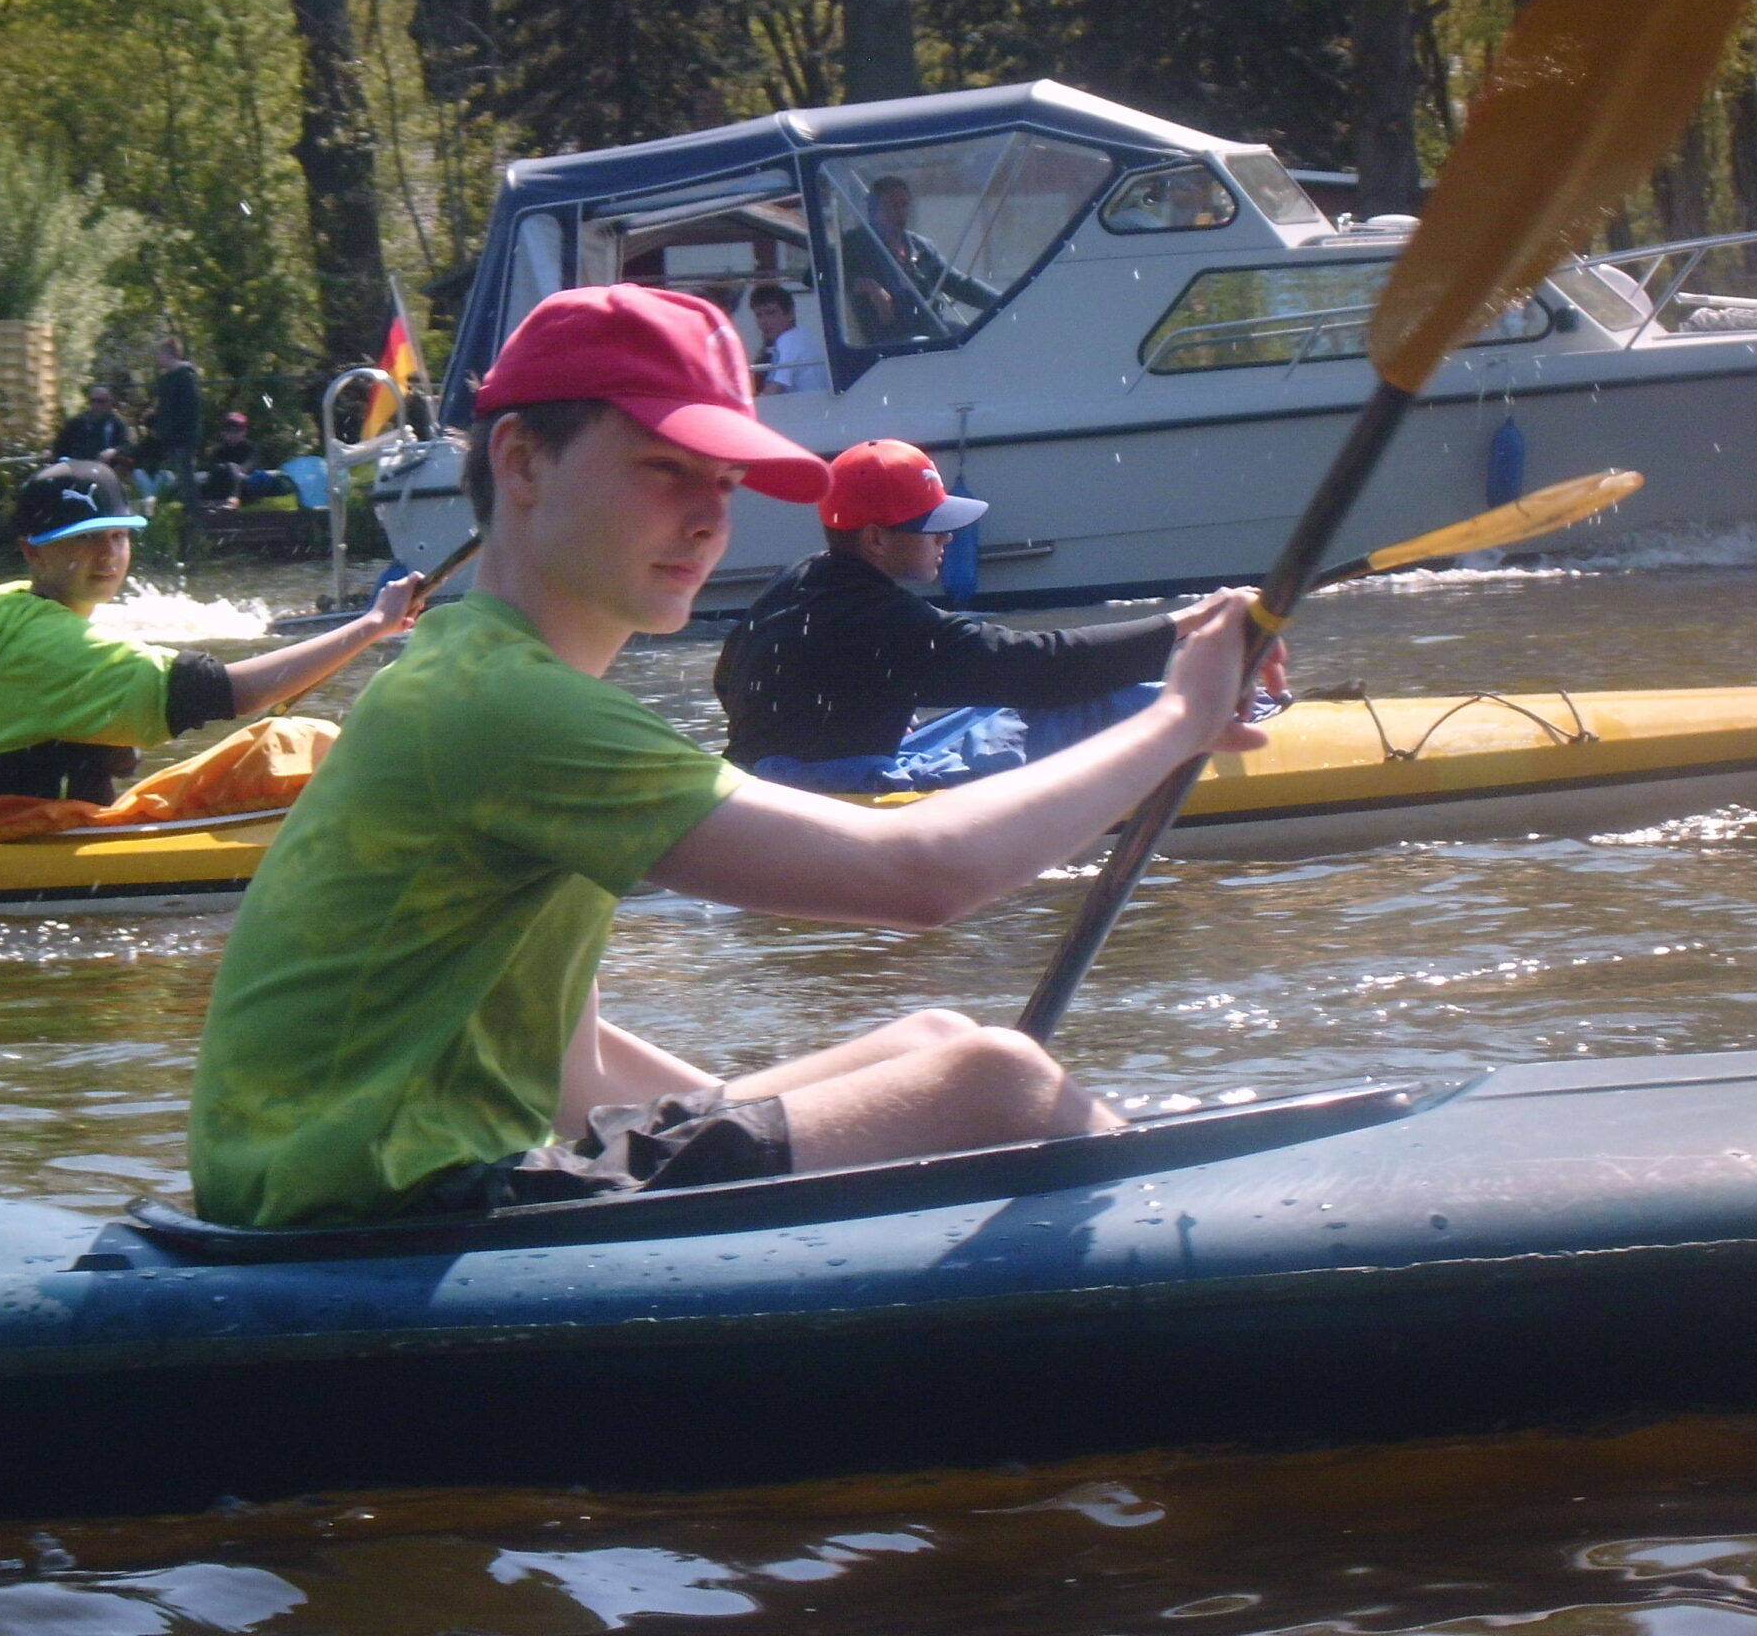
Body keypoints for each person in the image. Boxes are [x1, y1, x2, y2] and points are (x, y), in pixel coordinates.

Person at [187, 283, 1268, 1230]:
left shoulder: (474, 672)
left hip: (333, 1179)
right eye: (665, 470)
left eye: (725, 483)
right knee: (994, 1082)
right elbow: (921, 881)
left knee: (933, 1037)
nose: (710, 522)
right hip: (366, 1204)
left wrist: (771, 1148)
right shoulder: (505, 706)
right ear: (521, 461)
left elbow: (574, 1058)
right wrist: (1174, 723)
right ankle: (1229, 1291)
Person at [715, 439, 1289, 794]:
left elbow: (730, 677)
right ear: (874, 539)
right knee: (1091, 700)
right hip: (832, 787)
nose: (948, 537)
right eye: (931, 526)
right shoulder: (882, 617)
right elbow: (1043, 669)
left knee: (1007, 702)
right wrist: (1197, 616)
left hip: (771, 771)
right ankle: (1252, 719)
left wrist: (848, 713)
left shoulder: (799, 579)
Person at [0, 460, 418, 806]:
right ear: (33, 552)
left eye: (117, 536)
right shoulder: (48, 645)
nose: (106, 555)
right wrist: (372, 624)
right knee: (293, 742)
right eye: (83, 538)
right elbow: (229, 692)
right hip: (24, 838)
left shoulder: (3, 609)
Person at [838, 175, 999, 346]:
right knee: (923, 344)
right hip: (889, 339)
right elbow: (817, 275)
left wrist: (1004, 302)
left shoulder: (921, 247)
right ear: (873, 211)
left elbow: (958, 284)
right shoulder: (854, 244)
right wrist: (867, 285)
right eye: (891, 207)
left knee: (981, 339)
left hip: (932, 329)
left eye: (904, 205)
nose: (899, 212)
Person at [135, 336, 203, 547]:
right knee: (177, 473)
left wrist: (173, 430)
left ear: (168, 354)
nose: (157, 359)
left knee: (185, 473)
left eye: (159, 354)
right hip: (170, 436)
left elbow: (187, 411)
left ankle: (192, 513)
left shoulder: (185, 378)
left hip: (183, 435)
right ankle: (179, 508)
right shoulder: (168, 380)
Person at [749, 284, 827, 396]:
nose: (763, 321)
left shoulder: (787, 341)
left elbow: (772, 392)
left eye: (770, 313)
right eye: (758, 315)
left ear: (790, 314)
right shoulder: (805, 335)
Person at [205, 409, 293, 509]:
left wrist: (233, 471)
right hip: (225, 485)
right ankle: (214, 502)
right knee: (221, 470)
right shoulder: (219, 451)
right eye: (229, 431)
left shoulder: (251, 448)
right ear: (223, 433)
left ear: (244, 432)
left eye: (237, 431)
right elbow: (215, 468)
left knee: (231, 467)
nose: (232, 434)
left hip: (247, 487)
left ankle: (233, 499)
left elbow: (247, 467)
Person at [51, 384, 132, 466]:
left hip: (105, 470)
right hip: (76, 468)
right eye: (93, 401)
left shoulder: (117, 424)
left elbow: (126, 446)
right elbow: (59, 447)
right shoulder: (76, 422)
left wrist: (114, 451)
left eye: (100, 401)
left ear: (110, 402)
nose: (96, 404)